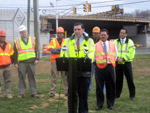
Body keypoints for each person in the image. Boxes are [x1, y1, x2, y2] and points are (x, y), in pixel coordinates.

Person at [60, 22, 95, 113]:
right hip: (71, 72)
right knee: (71, 95)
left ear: (83, 30)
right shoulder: (67, 41)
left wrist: (85, 61)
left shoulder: (90, 41)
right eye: (75, 29)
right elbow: (63, 53)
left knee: (83, 96)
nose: (77, 31)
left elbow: (92, 54)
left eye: (79, 29)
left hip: (84, 72)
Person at [13, 25, 39, 98]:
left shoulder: (33, 39)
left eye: (24, 32)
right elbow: (14, 52)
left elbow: (37, 49)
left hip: (32, 62)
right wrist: (15, 62)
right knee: (21, 78)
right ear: (20, 33)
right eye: (22, 32)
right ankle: (21, 93)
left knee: (32, 77)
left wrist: (37, 58)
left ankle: (33, 93)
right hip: (22, 63)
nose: (24, 33)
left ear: (26, 32)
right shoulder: (17, 41)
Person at [95, 29, 117, 110]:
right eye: (101, 35)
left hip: (109, 67)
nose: (103, 36)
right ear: (100, 36)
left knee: (110, 86)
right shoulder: (96, 45)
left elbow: (116, 55)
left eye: (104, 35)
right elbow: (94, 56)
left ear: (108, 36)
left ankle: (110, 104)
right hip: (99, 68)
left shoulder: (112, 44)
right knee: (99, 87)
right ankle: (99, 104)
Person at [114, 28, 135, 100]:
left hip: (126, 63)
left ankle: (132, 95)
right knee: (118, 80)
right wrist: (117, 59)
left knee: (130, 79)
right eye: (121, 33)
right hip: (118, 63)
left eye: (123, 33)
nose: (122, 34)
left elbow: (132, 53)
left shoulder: (130, 42)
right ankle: (117, 94)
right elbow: (112, 52)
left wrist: (123, 59)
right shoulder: (115, 42)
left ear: (126, 34)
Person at [47, 27, 68, 97]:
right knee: (54, 76)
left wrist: (58, 49)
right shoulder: (53, 41)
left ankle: (67, 91)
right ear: (56, 34)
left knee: (65, 76)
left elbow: (66, 49)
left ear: (63, 34)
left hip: (63, 60)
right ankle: (52, 92)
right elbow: (51, 50)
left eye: (61, 33)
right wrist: (61, 49)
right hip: (54, 61)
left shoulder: (66, 41)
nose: (59, 35)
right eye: (58, 33)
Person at [88, 26, 106, 94]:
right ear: (92, 33)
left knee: (101, 77)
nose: (96, 34)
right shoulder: (90, 41)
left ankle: (102, 90)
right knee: (89, 77)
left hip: (100, 62)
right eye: (94, 33)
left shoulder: (102, 41)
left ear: (99, 33)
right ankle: (88, 90)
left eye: (97, 33)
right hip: (92, 62)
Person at [0, 30, 14, 99]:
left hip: (8, 66)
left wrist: (11, 62)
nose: (2, 37)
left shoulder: (8, 45)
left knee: (8, 80)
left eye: (3, 36)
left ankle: (8, 94)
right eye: (1, 36)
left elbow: (12, 54)